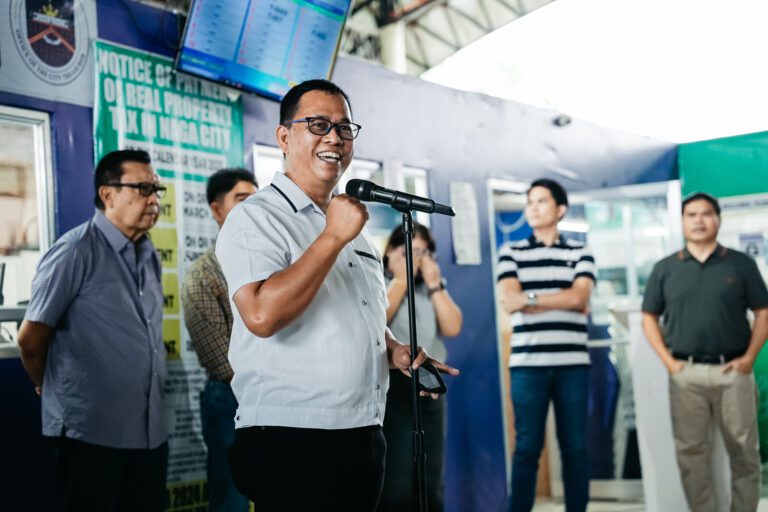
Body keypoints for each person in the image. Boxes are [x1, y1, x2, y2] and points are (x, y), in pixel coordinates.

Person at [216, 79, 459, 511]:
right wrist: (331, 237)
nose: (334, 137)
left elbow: (358, 311)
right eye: (319, 124)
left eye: (345, 128)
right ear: (284, 136)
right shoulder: (256, 218)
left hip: (363, 432)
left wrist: (394, 349)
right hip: (292, 438)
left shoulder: (351, 226)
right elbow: (261, 315)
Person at [17, 149, 168, 511]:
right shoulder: (74, 251)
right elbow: (30, 340)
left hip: (148, 433)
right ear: (108, 194)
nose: (153, 199)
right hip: (91, 433)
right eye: (143, 188)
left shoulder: (149, 254)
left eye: (157, 190)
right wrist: (48, 384)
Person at [642, 192, 768, 512]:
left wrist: (749, 359)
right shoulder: (665, 268)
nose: (699, 220)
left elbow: (764, 312)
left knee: (744, 453)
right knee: (691, 455)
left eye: (706, 213)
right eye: (691, 215)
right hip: (686, 375)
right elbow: (648, 318)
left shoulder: (741, 264)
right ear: (682, 222)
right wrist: (670, 364)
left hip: (734, 373)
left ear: (718, 219)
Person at [496, 178, 595, 512]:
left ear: (560, 209)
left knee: (575, 448)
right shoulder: (510, 251)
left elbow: (580, 295)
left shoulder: (580, 251)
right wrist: (560, 298)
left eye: (540, 201)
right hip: (527, 366)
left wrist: (531, 297)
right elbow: (510, 301)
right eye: (530, 202)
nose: (533, 208)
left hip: (573, 365)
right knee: (526, 448)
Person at [181, 168, 257, 512]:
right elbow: (221, 362)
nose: (252, 207)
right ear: (216, 209)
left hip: (275, 395)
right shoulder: (203, 275)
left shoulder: (270, 264)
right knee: (232, 500)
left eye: (256, 199)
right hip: (231, 400)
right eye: (242, 199)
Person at [378, 222, 463, 512]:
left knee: (431, 480)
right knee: (398, 483)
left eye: (423, 252)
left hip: (429, 385)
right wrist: (400, 280)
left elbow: (452, 326)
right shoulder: (377, 282)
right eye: (407, 251)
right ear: (389, 251)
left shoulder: (429, 288)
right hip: (395, 387)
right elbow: (377, 322)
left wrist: (435, 283)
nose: (415, 258)